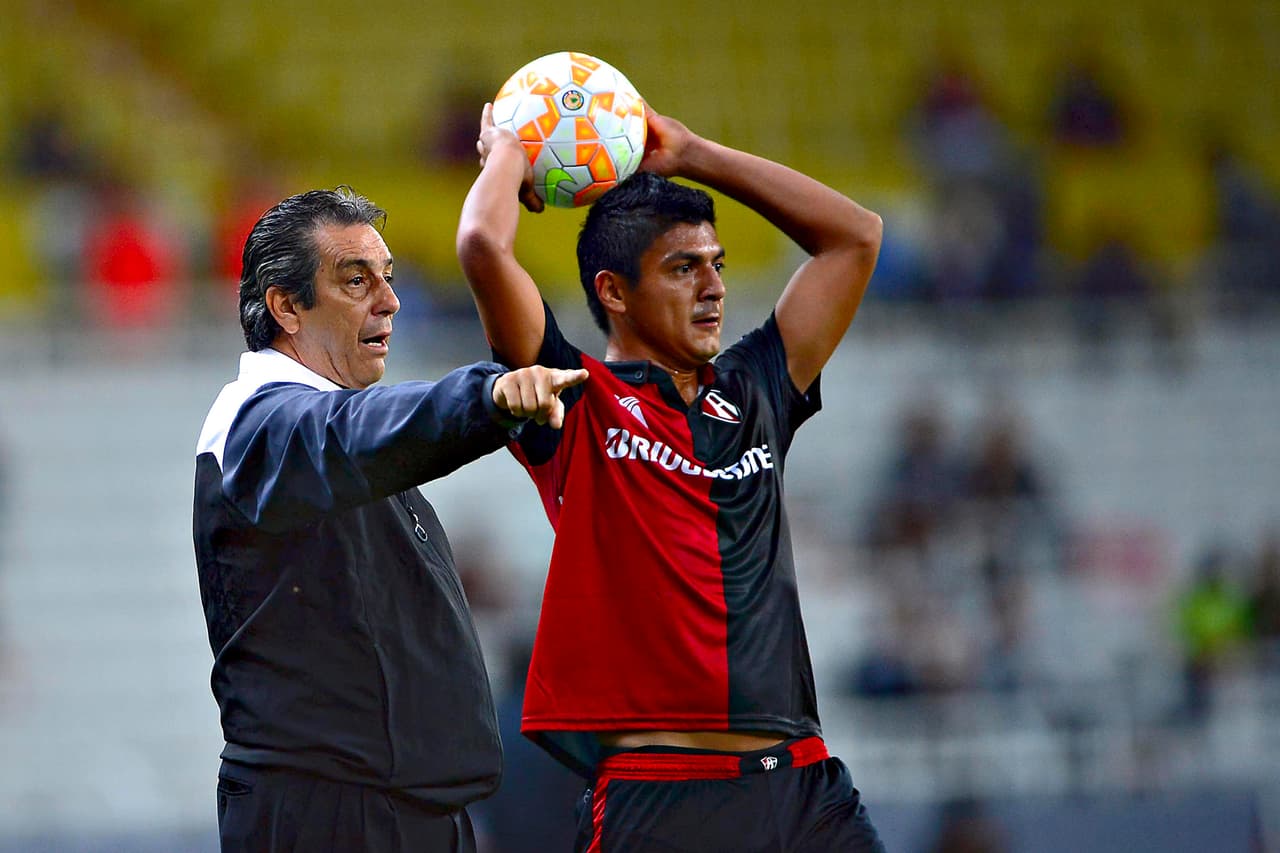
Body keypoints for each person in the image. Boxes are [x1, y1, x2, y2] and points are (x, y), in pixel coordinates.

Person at [457, 102, 885, 851]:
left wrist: (691, 152)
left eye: (716, 264)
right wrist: (507, 155)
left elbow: (855, 236)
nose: (713, 286)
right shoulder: (570, 398)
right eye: (684, 268)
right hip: (663, 800)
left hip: (803, 784)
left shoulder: (756, 387)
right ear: (614, 291)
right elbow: (483, 245)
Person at [193, 187, 586, 853]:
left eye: (389, 278)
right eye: (355, 279)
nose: (390, 300)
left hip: (406, 812)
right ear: (285, 305)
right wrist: (485, 397)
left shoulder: (338, 428)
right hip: (333, 818)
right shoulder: (262, 421)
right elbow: (350, 433)